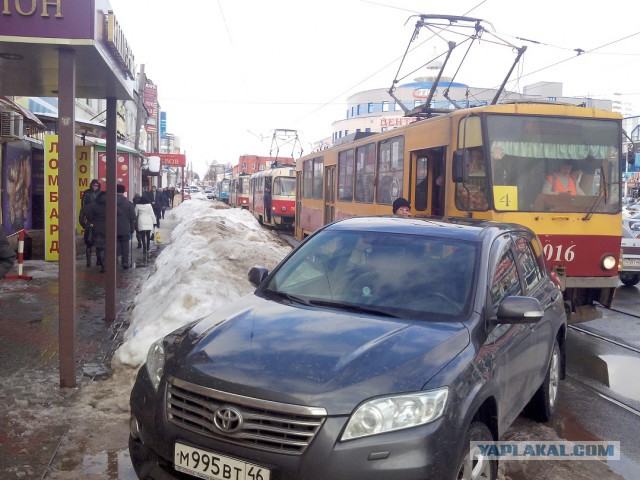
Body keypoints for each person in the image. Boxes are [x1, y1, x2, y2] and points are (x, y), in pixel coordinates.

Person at [80, 179, 101, 267]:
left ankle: (98, 260)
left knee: (98, 243)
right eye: (93, 185)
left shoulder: (100, 193)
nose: (95, 187)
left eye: (96, 185)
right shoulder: (87, 193)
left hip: (98, 220)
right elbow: (83, 204)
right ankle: (88, 262)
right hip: (89, 219)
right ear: (91, 185)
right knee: (88, 242)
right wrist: (84, 224)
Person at [116, 184, 136, 269]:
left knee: (114, 244)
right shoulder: (128, 204)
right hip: (125, 228)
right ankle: (125, 262)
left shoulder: (110, 202)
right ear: (123, 192)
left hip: (113, 228)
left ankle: (114, 260)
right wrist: (132, 228)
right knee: (125, 245)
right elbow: (133, 217)